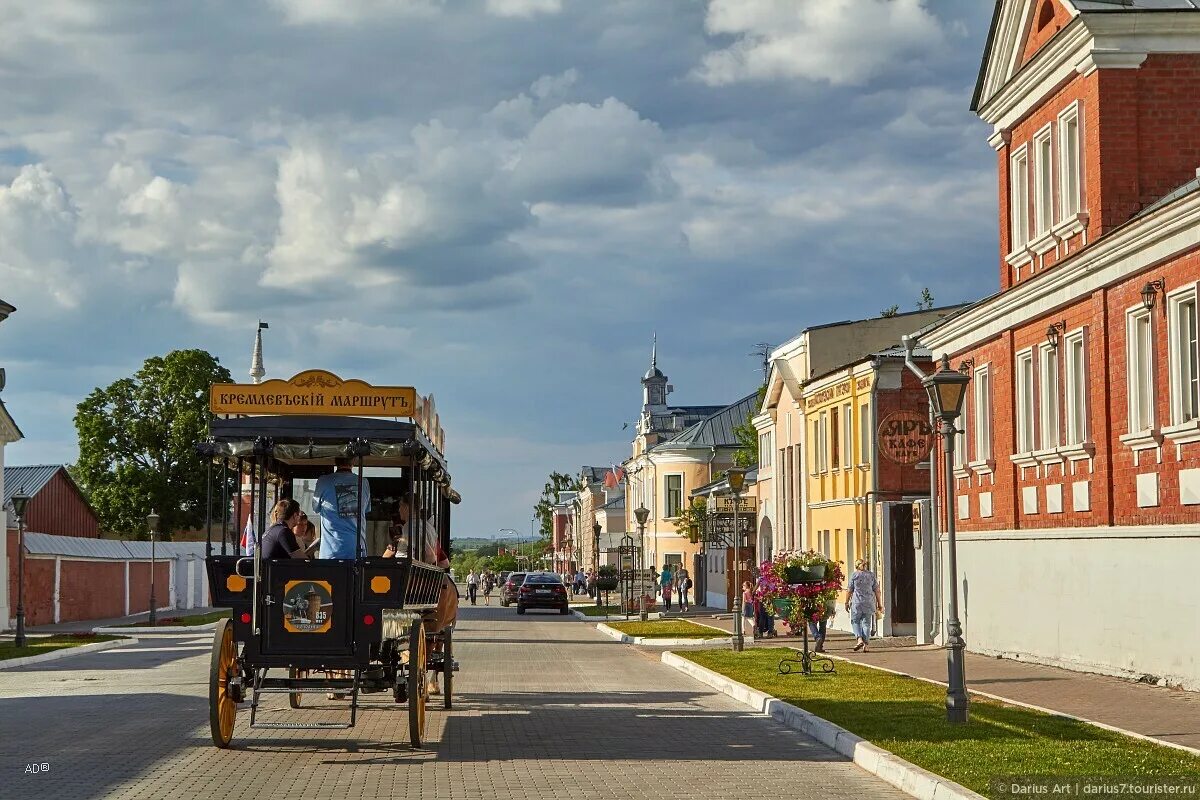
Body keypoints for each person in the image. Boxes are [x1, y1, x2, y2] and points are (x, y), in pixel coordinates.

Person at [311, 457, 371, 559]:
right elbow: (366, 509)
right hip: (356, 549)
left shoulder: (324, 481)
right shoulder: (363, 482)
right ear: (353, 461)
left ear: (335, 461)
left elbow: (315, 507)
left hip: (331, 550)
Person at [846, 558, 883, 652]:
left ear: (856, 566)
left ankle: (859, 639)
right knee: (866, 624)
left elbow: (849, 590)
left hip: (857, 603)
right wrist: (879, 604)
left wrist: (846, 602)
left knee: (855, 621)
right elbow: (877, 590)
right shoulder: (871, 575)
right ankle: (865, 645)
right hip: (869, 602)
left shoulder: (854, 575)